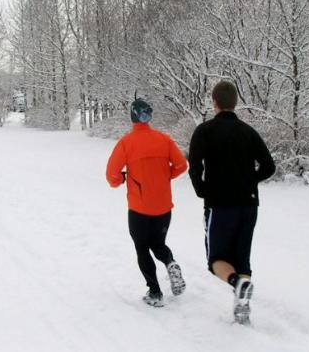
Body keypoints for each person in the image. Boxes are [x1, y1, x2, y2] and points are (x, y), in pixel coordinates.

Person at [187, 81, 275, 324]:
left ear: (214, 103)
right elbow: (269, 167)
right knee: (241, 257)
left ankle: (237, 284)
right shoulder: (248, 132)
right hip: (249, 205)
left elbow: (194, 166)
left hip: (219, 204)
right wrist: (249, 181)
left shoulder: (204, 131)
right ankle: (241, 302)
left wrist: (202, 190)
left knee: (216, 260)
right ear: (235, 103)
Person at [106, 98, 188, 307]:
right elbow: (181, 165)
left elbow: (111, 176)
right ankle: (170, 263)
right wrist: (164, 176)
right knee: (158, 244)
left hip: (139, 208)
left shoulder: (126, 143)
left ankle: (155, 293)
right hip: (163, 207)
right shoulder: (164, 139)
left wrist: (123, 179)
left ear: (133, 116)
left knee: (142, 248)